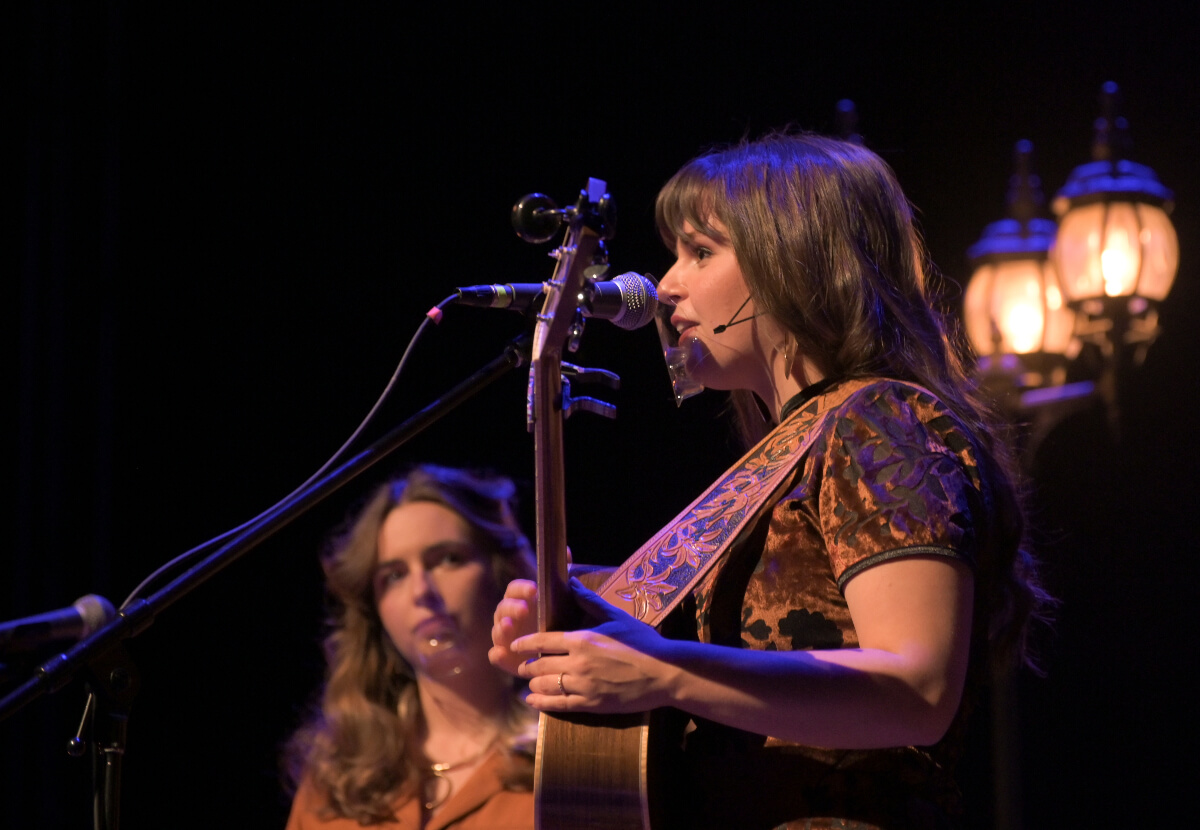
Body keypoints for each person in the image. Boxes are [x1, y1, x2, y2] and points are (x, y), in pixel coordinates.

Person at [489, 132, 1052, 829]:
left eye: (701, 251)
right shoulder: (792, 445)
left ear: (794, 261)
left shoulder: (880, 420)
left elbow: (917, 688)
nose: (666, 284)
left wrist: (663, 670)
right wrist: (587, 623)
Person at [284, 465, 538, 830]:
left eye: (448, 559)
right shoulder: (338, 777)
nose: (422, 592)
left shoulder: (566, 757)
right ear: (375, 609)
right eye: (395, 575)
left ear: (503, 573)